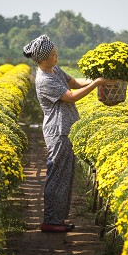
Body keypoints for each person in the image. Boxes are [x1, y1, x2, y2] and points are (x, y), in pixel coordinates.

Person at [23, 34, 111, 233]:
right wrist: (96, 84)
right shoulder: (44, 79)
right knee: (57, 176)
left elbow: (74, 83)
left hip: (66, 129)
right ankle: (51, 221)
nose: (57, 56)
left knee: (65, 176)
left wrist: (99, 80)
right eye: (53, 55)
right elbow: (70, 97)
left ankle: (58, 219)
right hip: (58, 131)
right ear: (42, 59)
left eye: (56, 53)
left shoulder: (54, 70)